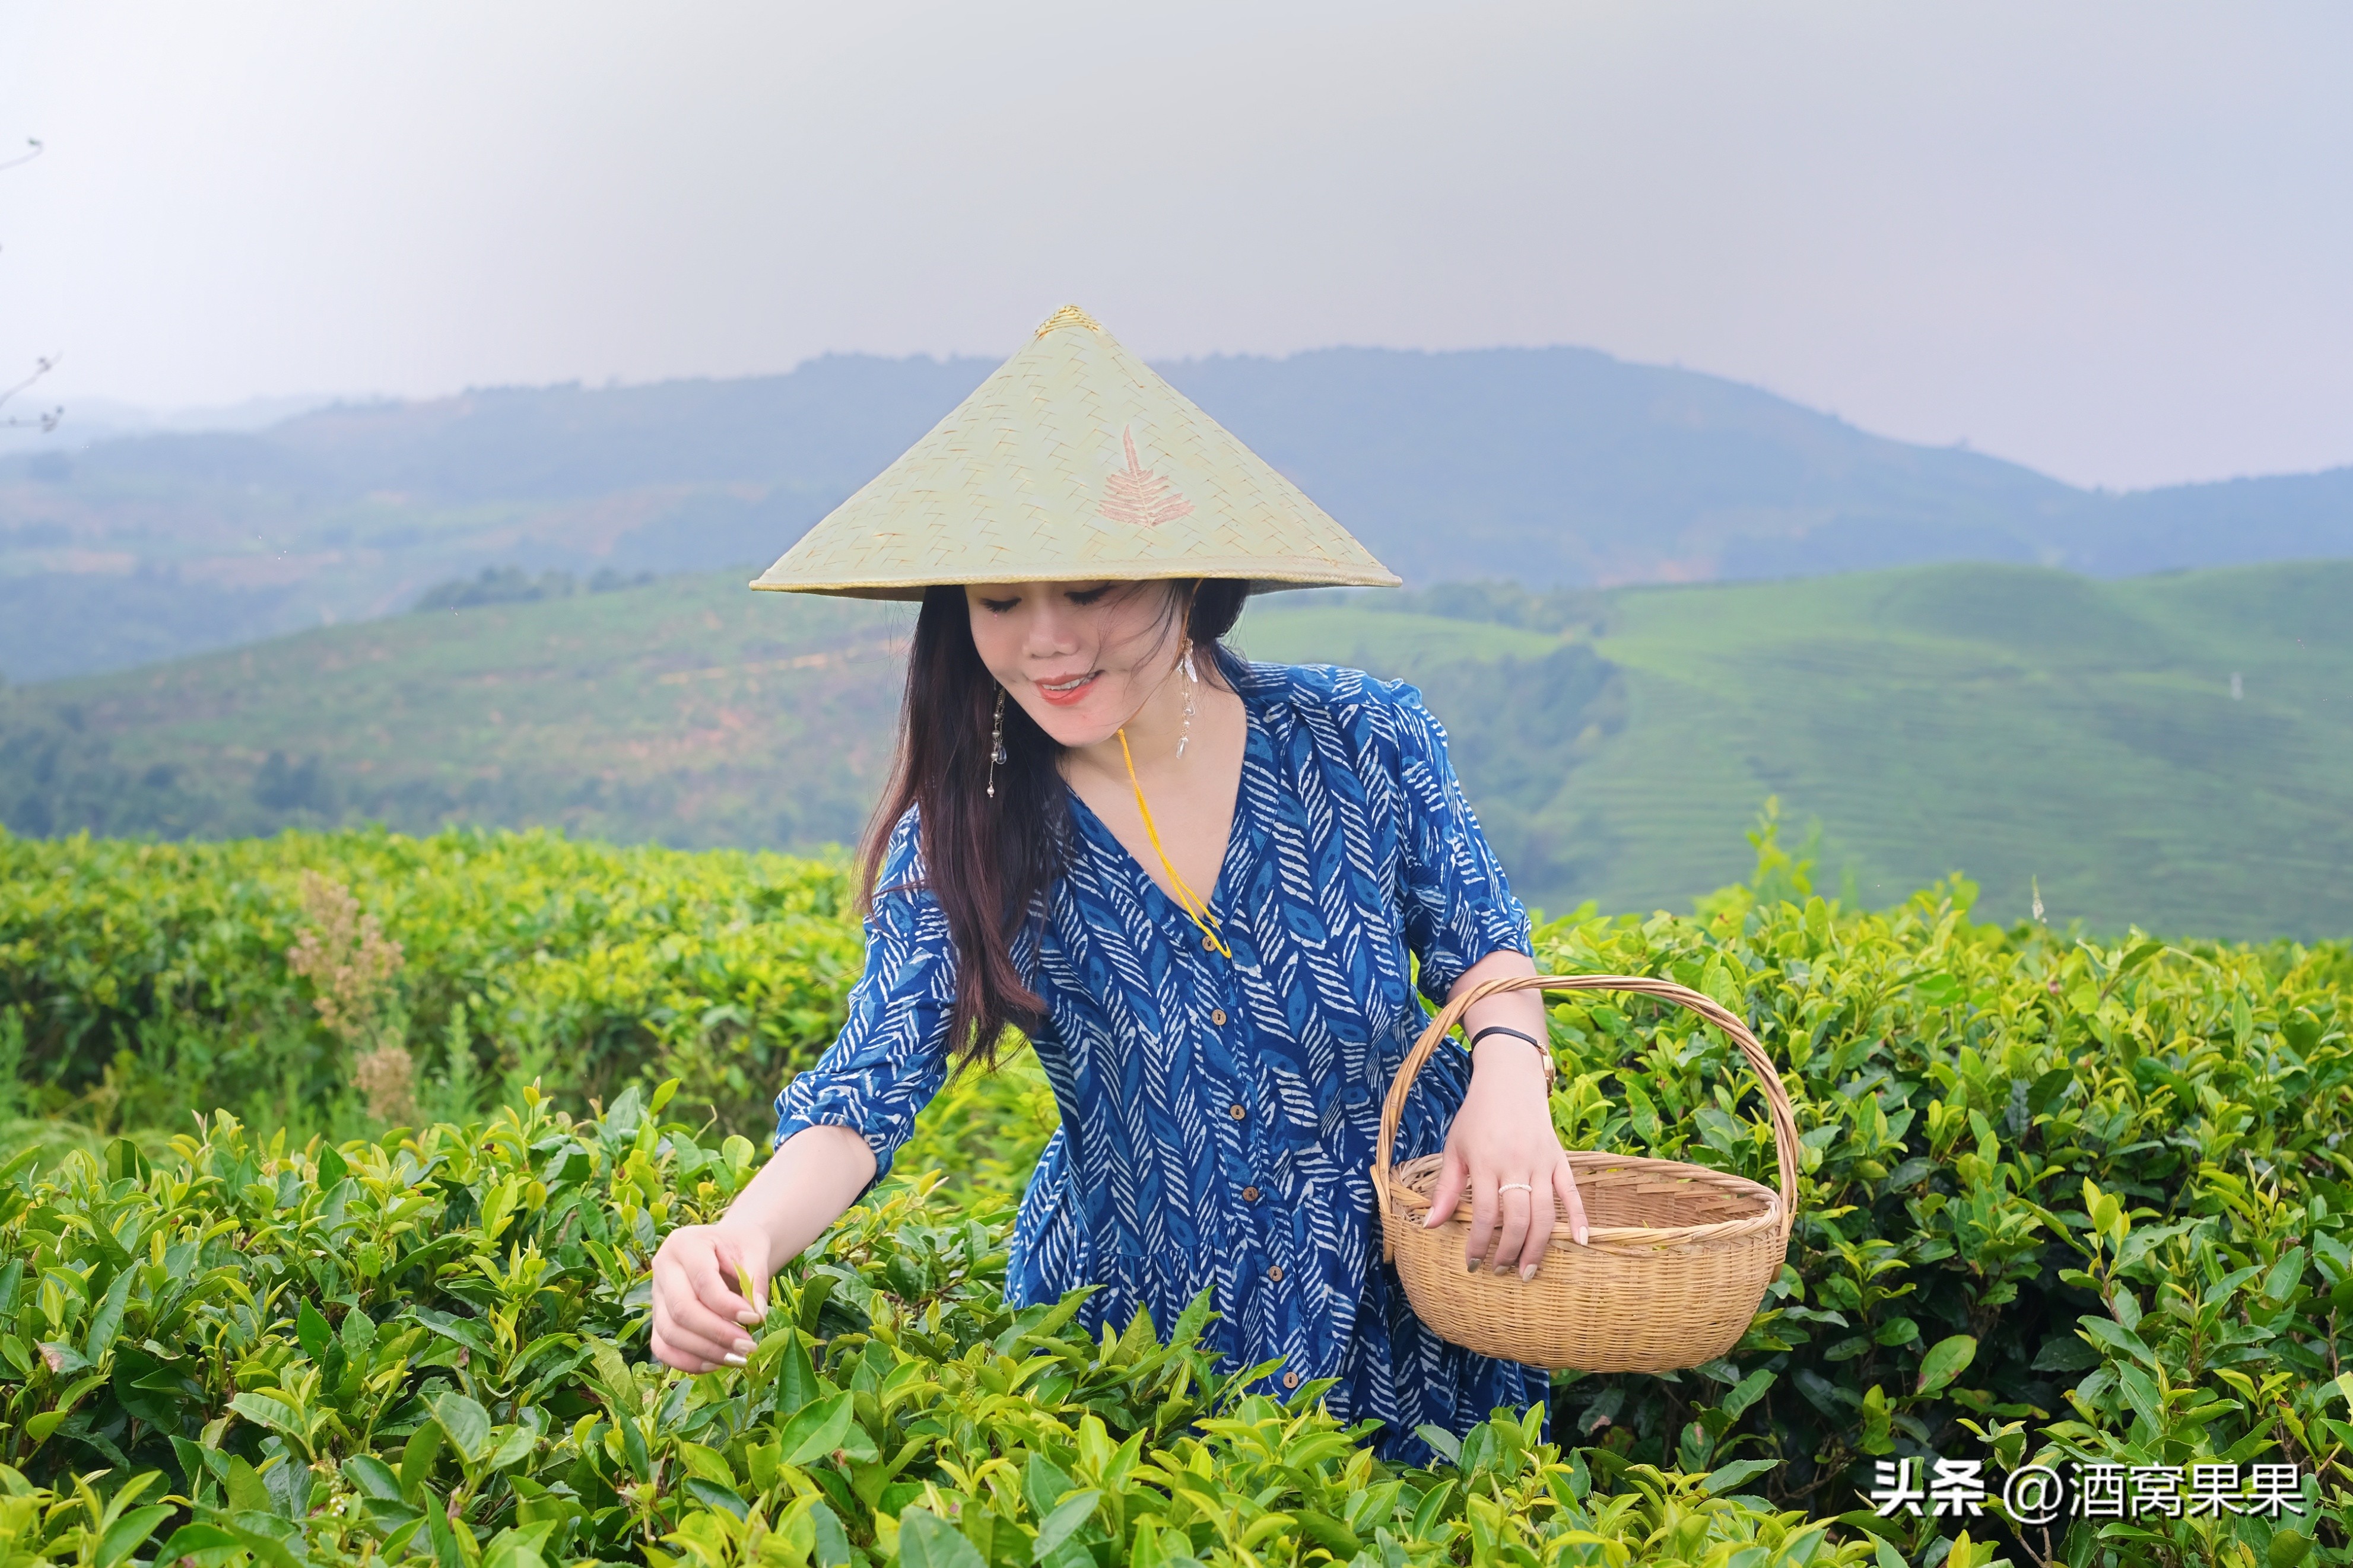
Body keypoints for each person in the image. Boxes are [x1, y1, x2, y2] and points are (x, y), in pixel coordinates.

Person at [647, 305, 1587, 1461]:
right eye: (1000, 600)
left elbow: (1482, 943)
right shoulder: (967, 840)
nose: (1047, 640)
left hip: (1428, 1299)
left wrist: (1509, 1073)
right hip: (1155, 1351)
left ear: (1184, 575)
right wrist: (733, 1240)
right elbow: (866, 1090)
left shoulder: (1360, 737)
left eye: (1090, 586)